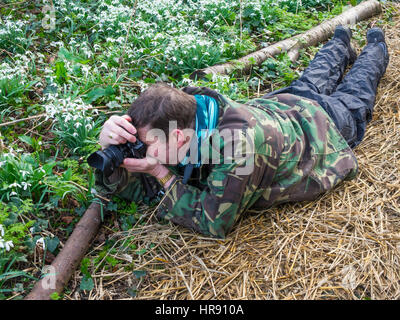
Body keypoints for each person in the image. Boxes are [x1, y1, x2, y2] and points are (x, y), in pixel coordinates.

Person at [94, 26, 389, 239]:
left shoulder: (237, 149)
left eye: (144, 145)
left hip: (320, 125)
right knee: (313, 78)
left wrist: (159, 171)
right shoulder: (178, 113)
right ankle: (340, 40)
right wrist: (109, 147)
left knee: (356, 90)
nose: (142, 151)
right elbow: (138, 189)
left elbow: (214, 222)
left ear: (179, 138)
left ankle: (376, 46)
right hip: (281, 106)